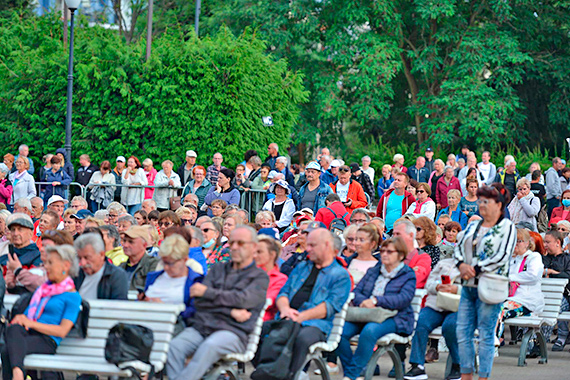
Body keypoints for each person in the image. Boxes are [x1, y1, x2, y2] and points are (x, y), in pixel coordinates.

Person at [166, 226, 268, 380]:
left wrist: (208, 293)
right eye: (232, 242)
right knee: (174, 347)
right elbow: (199, 302)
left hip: (233, 331)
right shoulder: (218, 269)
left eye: (240, 243)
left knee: (209, 346)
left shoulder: (259, 277)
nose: (234, 247)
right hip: (203, 326)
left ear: (254, 247)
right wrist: (231, 310)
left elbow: (243, 300)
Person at [454, 183, 516, 380]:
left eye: (486, 202)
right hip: (468, 286)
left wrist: (475, 269)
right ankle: (466, 374)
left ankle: (483, 376)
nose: (481, 205)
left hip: (490, 286)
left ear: (498, 205)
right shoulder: (474, 225)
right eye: (480, 201)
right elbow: (459, 246)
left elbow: (502, 255)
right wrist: (461, 264)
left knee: (486, 335)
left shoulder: (507, 227)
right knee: (462, 332)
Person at [271, 228, 351, 378]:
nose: (307, 249)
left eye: (312, 245)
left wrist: (299, 317)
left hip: (316, 325)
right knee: (261, 333)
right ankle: (269, 372)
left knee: (301, 338)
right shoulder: (302, 267)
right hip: (287, 318)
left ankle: (291, 375)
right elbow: (284, 292)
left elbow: (329, 307)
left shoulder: (340, 275)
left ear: (327, 245)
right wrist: (285, 309)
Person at [338, 237, 416, 380]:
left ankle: (350, 375)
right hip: (368, 314)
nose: (384, 254)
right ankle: (354, 372)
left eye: (389, 251)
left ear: (400, 255)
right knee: (339, 332)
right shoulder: (375, 270)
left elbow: (403, 299)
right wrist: (364, 302)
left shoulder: (407, 274)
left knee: (370, 331)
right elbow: (357, 292)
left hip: (396, 317)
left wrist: (375, 301)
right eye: (383, 251)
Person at [1, 244, 81, 380]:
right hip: (27, 334)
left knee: (7, 348)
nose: (46, 267)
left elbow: (62, 331)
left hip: (47, 340)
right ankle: (18, 374)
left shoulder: (72, 296)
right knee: (13, 330)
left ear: (65, 266)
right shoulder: (43, 290)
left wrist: (30, 323)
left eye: (50, 263)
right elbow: (27, 318)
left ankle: (17, 375)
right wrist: (21, 319)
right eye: (45, 263)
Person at [403, 257, 462, 380]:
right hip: (436, 305)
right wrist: (437, 287)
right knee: (421, 323)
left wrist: (456, 289)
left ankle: (458, 365)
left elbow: (477, 290)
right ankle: (417, 365)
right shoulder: (443, 263)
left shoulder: (474, 266)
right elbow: (428, 284)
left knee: (450, 326)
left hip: (458, 307)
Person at [495, 229, 544, 344]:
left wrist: (510, 277)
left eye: (519, 241)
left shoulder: (534, 257)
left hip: (527, 301)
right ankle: (494, 340)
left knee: (498, 310)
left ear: (527, 243)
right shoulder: (510, 259)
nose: (515, 244)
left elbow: (533, 276)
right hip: (509, 299)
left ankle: (493, 344)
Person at [142, 234, 204, 323]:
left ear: (185, 259)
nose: (166, 267)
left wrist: (165, 309)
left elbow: (194, 315)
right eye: (164, 263)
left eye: (171, 263)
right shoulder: (153, 277)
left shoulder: (196, 281)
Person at [6, 229, 73, 294]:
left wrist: (18, 270)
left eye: (47, 247)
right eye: (42, 245)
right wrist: (11, 271)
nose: (42, 249)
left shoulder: (65, 271)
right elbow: (13, 287)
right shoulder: (39, 268)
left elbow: (43, 284)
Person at [74, 233, 128, 300]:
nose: (83, 263)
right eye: (79, 258)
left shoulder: (116, 276)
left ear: (102, 255)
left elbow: (118, 306)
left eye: (87, 257)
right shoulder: (76, 274)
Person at [541, 230, 570, 349]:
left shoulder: (567, 259)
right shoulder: (543, 259)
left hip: (564, 296)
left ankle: (558, 338)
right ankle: (540, 341)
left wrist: (550, 272)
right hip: (544, 295)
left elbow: (568, 276)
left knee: (552, 307)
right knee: (544, 307)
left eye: (548, 242)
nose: (544, 245)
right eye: (544, 242)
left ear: (558, 242)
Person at [254, 236, 288, 321]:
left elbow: (268, 301)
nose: (254, 255)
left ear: (272, 255)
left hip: (261, 322)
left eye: (259, 252)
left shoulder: (280, 279)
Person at [119, 226, 159, 290]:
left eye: (131, 242)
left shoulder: (154, 264)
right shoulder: (121, 267)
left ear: (144, 245)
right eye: (124, 241)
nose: (125, 245)